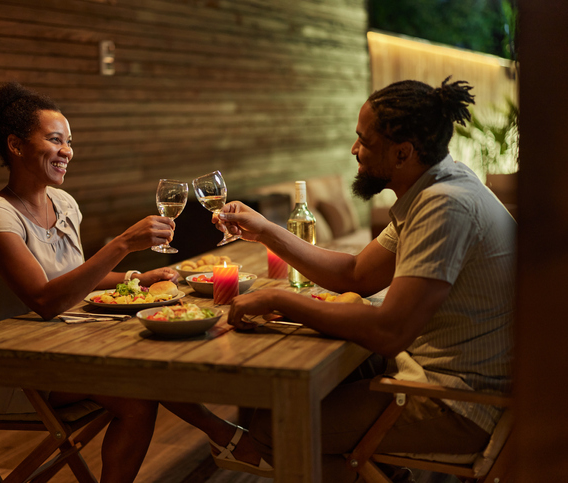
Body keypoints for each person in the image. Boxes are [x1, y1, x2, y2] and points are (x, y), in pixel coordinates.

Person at [212, 77, 516, 481]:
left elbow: (390, 331)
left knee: (277, 426)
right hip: (443, 378)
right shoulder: (436, 187)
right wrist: (266, 230)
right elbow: (354, 274)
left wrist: (278, 301)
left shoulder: (445, 206)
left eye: (364, 141)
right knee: (300, 395)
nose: (354, 150)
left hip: (462, 402)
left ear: (403, 152)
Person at [0, 81, 271, 481]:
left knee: (141, 386)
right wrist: (124, 244)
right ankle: (229, 437)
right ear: (16, 145)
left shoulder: (63, 204)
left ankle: (229, 437)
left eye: (70, 142)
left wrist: (137, 278)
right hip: (8, 368)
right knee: (141, 375)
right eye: (55, 140)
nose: (67, 151)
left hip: (61, 347)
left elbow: (72, 280)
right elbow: (44, 299)